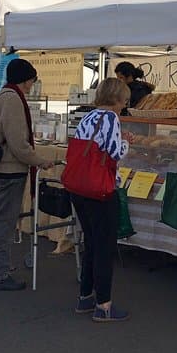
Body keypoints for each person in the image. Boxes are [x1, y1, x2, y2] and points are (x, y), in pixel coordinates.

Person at [0, 58, 54, 291]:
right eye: (31, 80)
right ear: (25, 79)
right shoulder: (13, 100)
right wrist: (40, 161)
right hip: (8, 170)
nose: (32, 85)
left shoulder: (0, 95)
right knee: (3, 223)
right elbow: (18, 144)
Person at [69, 77, 134, 322]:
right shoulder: (110, 118)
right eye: (124, 100)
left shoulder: (88, 116)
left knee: (91, 243)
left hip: (80, 187)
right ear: (117, 98)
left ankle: (85, 296)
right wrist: (127, 142)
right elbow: (115, 153)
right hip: (101, 189)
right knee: (104, 247)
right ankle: (104, 304)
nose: (124, 105)